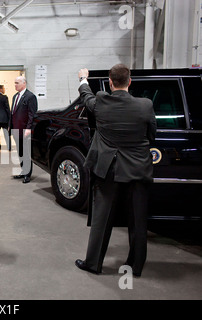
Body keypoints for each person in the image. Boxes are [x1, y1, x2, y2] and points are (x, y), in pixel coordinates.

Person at [74, 64, 157, 277]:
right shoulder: (145, 105)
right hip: (137, 169)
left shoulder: (102, 100)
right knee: (138, 220)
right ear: (130, 82)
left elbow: (86, 97)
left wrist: (84, 79)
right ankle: (136, 266)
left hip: (108, 169)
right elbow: (152, 135)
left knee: (102, 218)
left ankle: (93, 264)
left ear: (111, 82)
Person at [10, 76, 38, 184]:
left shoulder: (30, 97)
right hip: (16, 130)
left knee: (26, 152)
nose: (15, 85)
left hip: (25, 130)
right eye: (15, 83)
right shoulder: (15, 96)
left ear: (24, 83)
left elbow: (32, 114)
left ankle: (27, 174)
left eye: (17, 83)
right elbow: (12, 113)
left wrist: (29, 128)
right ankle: (23, 170)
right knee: (20, 152)